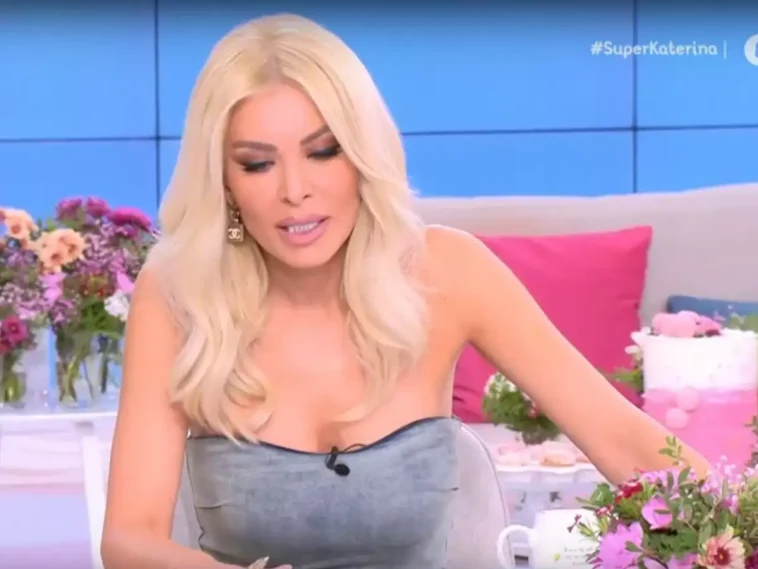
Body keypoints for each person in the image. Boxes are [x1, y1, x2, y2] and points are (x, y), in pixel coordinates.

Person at [101, 13, 710, 569]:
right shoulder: (178, 293)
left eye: (323, 152)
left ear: (362, 156)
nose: (295, 190)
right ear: (225, 182)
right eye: (258, 163)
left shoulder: (447, 270)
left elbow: (626, 442)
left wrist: (735, 528)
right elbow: (130, 538)